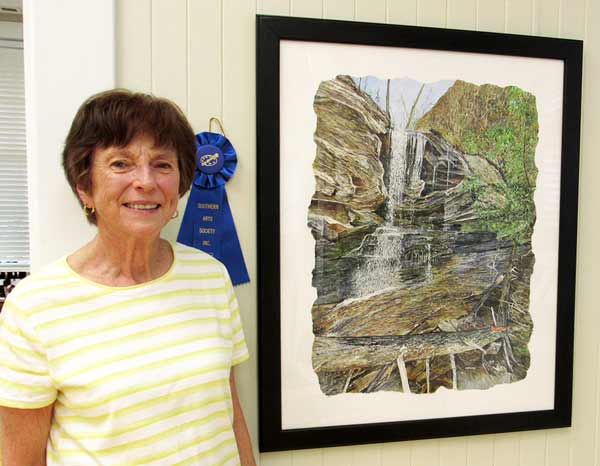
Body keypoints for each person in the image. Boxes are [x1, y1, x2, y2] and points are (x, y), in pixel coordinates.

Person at [0, 90, 256, 466]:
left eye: (163, 165)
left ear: (180, 186)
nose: (146, 181)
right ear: (84, 186)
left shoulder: (210, 277)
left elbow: (230, 419)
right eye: (121, 164)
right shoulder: (35, 305)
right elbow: (21, 459)